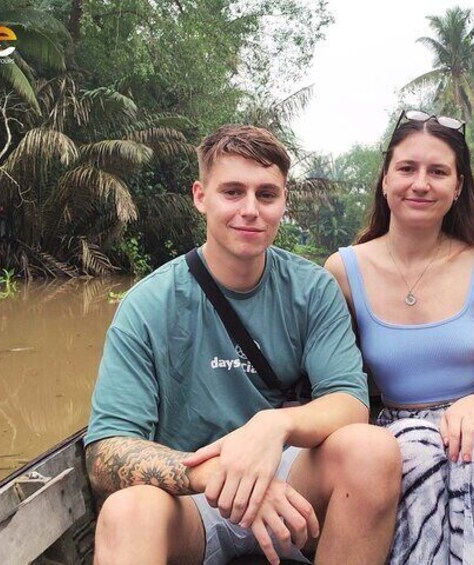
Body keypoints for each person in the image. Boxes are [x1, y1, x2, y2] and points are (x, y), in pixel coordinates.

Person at [85, 124, 401, 565]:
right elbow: (106, 452)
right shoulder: (149, 304)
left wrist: (271, 427)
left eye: (266, 195)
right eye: (232, 192)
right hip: (192, 501)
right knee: (126, 510)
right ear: (201, 196)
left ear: (283, 201)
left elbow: (349, 402)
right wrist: (221, 473)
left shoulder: (312, 289)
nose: (250, 210)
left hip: (290, 489)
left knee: (373, 450)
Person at [325, 110, 474, 564]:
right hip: (399, 435)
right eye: (407, 168)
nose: (421, 183)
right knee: (417, 451)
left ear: (458, 187)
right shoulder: (343, 271)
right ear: (386, 179)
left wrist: (471, 407)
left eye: (438, 172)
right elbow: (334, 380)